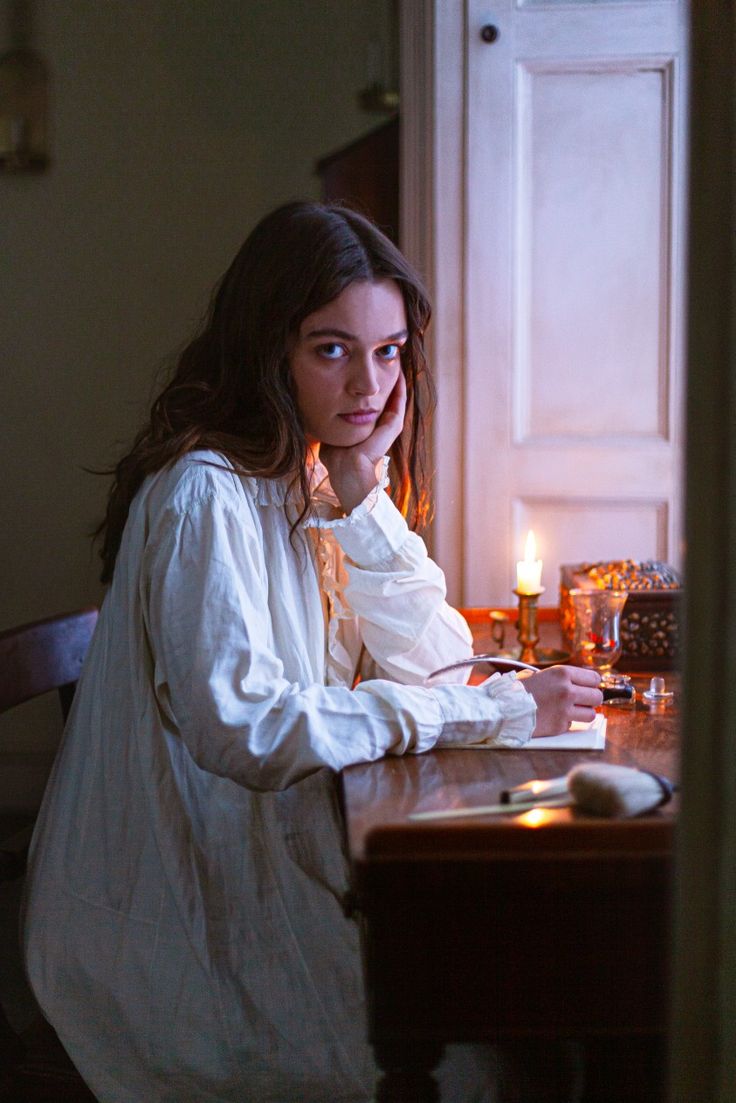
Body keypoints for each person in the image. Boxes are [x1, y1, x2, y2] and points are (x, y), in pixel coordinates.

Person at [22, 201, 602, 1103]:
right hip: (172, 926)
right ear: (269, 348)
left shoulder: (311, 472)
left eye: (388, 350)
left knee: (540, 1020)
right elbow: (245, 728)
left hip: (263, 878)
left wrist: (367, 492)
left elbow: (433, 661)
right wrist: (491, 705)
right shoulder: (207, 493)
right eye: (331, 348)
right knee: (499, 1067)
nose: (367, 384)